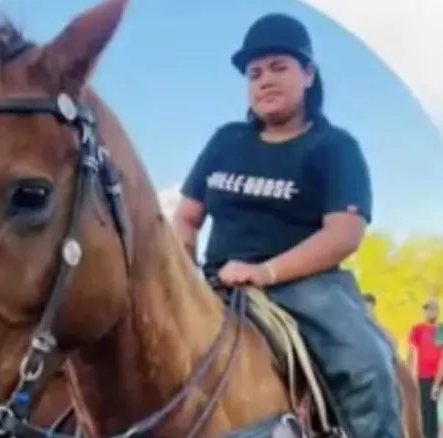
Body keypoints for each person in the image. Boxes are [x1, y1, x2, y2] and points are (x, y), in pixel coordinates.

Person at [172, 12, 401, 438]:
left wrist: (265, 272)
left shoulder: (334, 148)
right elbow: (187, 218)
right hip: (217, 279)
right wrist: (185, 274)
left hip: (306, 285)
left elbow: (344, 232)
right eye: (254, 73)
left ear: (308, 74)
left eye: (279, 67)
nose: (264, 80)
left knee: (368, 365)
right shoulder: (225, 141)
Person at [408, 298, 442, 438]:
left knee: (437, 413)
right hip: (423, 377)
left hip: (438, 377)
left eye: (433, 309)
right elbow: (411, 352)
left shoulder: (441, 329)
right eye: (427, 309)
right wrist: (410, 376)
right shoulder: (418, 329)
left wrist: (437, 382)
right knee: (425, 411)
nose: (429, 312)